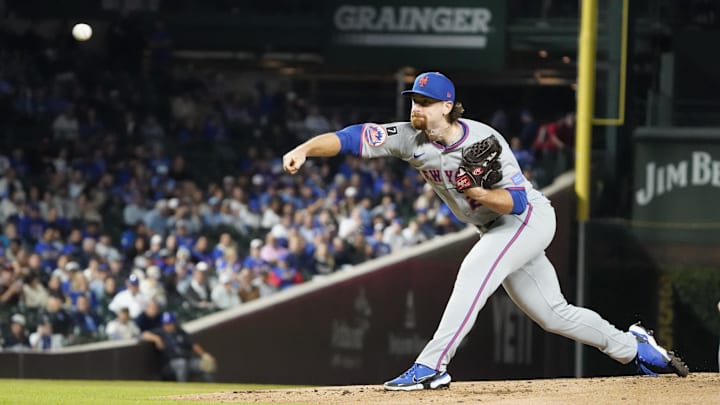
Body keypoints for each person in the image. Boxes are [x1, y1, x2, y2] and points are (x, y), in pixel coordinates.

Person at [282, 71, 689, 391]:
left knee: (475, 270)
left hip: (525, 221)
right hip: (493, 229)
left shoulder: (484, 139)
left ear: (447, 107)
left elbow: (517, 202)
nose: (416, 109)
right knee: (554, 315)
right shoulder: (409, 138)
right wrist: (304, 149)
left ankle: (432, 366)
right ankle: (633, 348)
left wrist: (476, 190)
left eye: (425, 103)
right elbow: (352, 137)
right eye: (413, 101)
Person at [141, 311, 216, 382]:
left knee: (205, 364)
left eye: (169, 323)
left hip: (187, 360)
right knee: (181, 363)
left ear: (174, 323)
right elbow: (144, 334)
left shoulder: (180, 332)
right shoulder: (160, 332)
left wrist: (204, 355)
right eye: (165, 324)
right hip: (169, 365)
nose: (167, 326)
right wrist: (156, 338)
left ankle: (211, 390)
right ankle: (182, 388)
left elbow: (193, 344)